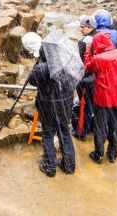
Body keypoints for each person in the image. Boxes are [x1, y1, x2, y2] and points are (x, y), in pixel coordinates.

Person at [30, 46, 76, 177]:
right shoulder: (67, 64)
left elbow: (32, 81)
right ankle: (69, 165)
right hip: (65, 104)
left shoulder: (41, 68)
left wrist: (38, 64)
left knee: (48, 134)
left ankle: (50, 165)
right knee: (65, 133)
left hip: (48, 106)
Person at [84, 33, 117, 164]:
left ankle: (98, 154)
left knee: (100, 126)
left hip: (104, 98)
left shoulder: (98, 58)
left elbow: (87, 68)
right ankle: (113, 154)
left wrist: (87, 53)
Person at [73, 15, 96, 140]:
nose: (80, 29)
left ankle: (82, 131)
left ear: (89, 27)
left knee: (84, 105)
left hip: (85, 77)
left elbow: (78, 60)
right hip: (95, 77)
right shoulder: (99, 37)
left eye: (82, 27)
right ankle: (92, 127)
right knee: (92, 104)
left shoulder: (84, 42)